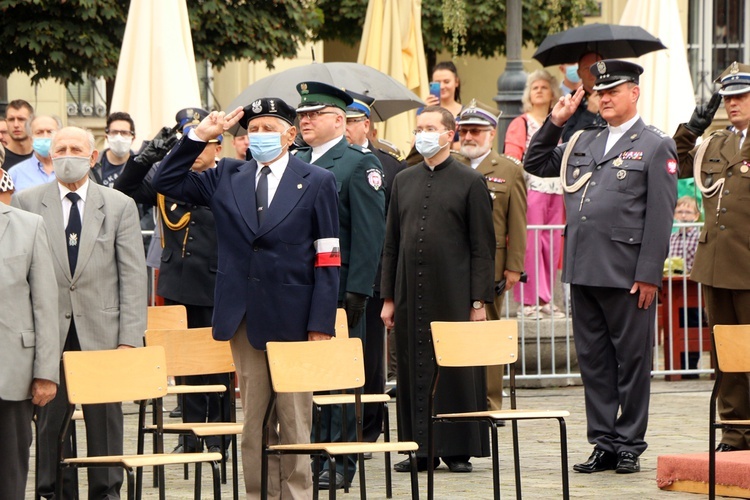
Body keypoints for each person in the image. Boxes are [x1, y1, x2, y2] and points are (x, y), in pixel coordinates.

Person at [152, 98, 340, 499]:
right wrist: (199, 135)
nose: (259, 137)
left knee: (293, 418)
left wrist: (321, 322)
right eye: (252, 130)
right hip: (244, 316)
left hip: (295, 316)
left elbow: (328, 256)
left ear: (290, 135)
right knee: (254, 419)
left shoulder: (318, 180)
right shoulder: (227, 176)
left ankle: (295, 493)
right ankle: (259, 493)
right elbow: (163, 181)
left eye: (268, 129)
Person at [524, 60, 678, 474]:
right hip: (583, 267)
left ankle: (629, 443)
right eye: (600, 92)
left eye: (614, 90)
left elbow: (661, 216)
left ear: (635, 93)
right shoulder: (583, 141)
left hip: (628, 273)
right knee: (594, 363)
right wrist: (556, 123)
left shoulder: (654, 143)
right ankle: (603, 442)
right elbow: (535, 163)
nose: (604, 97)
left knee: (631, 361)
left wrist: (648, 273)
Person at [13, 126, 148, 499]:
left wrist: (129, 339)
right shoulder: (26, 202)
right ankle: (53, 491)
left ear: (92, 157)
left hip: (104, 334)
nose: (66, 155)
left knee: (105, 421)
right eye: (60, 149)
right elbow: (20, 276)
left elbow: (134, 276)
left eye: (76, 149)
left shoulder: (119, 205)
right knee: (50, 423)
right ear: (50, 156)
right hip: (48, 335)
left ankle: (106, 493)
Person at [381, 105, 495, 474]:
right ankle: (420, 448)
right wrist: (388, 297)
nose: (423, 134)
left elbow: (482, 247)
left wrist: (479, 300)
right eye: (418, 128)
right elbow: (391, 243)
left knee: (456, 370)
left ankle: (458, 449)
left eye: (430, 127)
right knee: (413, 370)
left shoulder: (470, 181)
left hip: (455, 290)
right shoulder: (403, 180)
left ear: (450, 134)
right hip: (410, 293)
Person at [115, 107, 230, 455]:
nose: (195, 151)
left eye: (204, 144)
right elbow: (125, 188)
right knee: (184, 365)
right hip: (179, 284)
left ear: (218, 148)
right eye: (189, 144)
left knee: (217, 365)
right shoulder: (167, 181)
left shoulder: (226, 179)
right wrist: (145, 155)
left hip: (214, 286)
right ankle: (190, 435)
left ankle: (220, 434)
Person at [294, 82, 385, 489]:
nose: (305, 120)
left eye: (314, 114)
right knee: (307, 376)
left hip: (341, 284)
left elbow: (369, 232)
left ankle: (340, 459)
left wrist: (360, 289)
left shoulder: (355, 164)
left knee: (341, 376)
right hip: (298, 284)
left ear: (338, 120)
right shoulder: (293, 160)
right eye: (301, 115)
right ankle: (311, 452)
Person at [672, 61, 750, 452]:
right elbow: (677, 163)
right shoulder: (716, 142)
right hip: (716, 264)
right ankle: (735, 431)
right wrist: (691, 129)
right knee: (726, 353)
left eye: (740, 96)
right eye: (727, 97)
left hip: (749, 265)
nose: (732, 103)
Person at [344, 89, 406, 446]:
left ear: (366, 125)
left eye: (353, 121)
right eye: (344, 121)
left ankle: (368, 428)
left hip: (373, 277)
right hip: (339, 273)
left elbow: (392, 228)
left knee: (370, 360)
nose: (349, 128)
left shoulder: (390, 165)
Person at [456, 100, 526, 412]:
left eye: (476, 131)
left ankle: (489, 401)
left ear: (491, 133)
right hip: (452, 263)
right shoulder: (451, 164)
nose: (469, 136)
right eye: (464, 130)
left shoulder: (508, 171)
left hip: (492, 265)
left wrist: (514, 267)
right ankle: (459, 398)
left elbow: (517, 223)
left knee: (488, 330)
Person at [0, 151, 60, 500]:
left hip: (12, 371)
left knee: (9, 473)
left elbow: (45, 304)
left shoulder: (27, 225)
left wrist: (45, 372)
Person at [505, 70, 565, 319]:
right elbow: (511, 156)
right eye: (534, 87)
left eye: (544, 87)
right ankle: (528, 302)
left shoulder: (562, 122)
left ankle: (546, 299)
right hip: (531, 189)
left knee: (552, 245)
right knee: (530, 244)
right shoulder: (520, 122)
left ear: (553, 93)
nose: (538, 90)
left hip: (558, 190)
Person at [9, 115, 61, 191]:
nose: (45, 136)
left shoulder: (69, 169)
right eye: (39, 132)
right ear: (30, 139)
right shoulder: (15, 173)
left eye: (50, 132)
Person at [561, 52, 605, 142]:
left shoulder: (612, 97)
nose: (592, 72)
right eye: (586, 68)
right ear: (579, 73)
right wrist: (589, 113)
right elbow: (567, 139)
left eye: (596, 67)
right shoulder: (572, 101)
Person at [424, 61, 463, 151]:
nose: (442, 86)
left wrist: (449, 146)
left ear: (456, 82)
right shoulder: (424, 109)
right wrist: (427, 112)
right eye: (437, 83)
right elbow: (416, 141)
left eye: (446, 82)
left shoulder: (466, 112)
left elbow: (467, 144)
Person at [91, 111, 137, 187]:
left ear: (133, 138)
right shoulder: (93, 163)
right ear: (106, 137)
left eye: (124, 132)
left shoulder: (139, 165)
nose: (119, 137)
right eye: (114, 132)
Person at [668, 195, 701, 274]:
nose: (683, 216)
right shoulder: (671, 238)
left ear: (696, 216)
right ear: (674, 215)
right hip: (673, 281)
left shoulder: (700, 237)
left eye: (688, 212)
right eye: (679, 212)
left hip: (693, 281)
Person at [3, 99, 34, 169]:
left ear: (32, 121)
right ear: (6, 122)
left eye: (21, 119)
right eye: (11, 119)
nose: (16, 125)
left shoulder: (42, 157)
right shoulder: (1, 159)